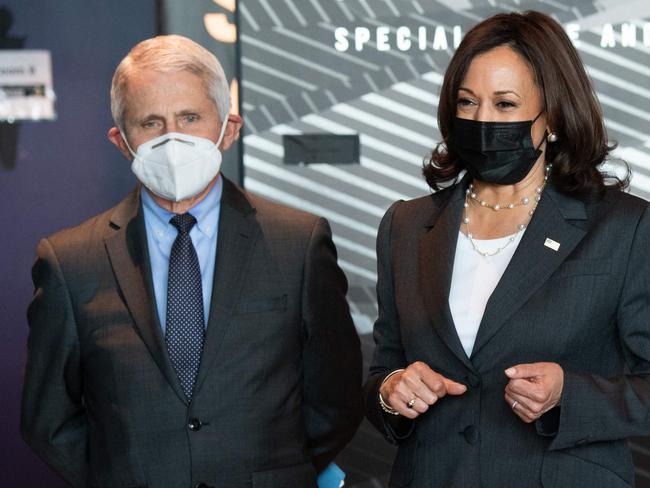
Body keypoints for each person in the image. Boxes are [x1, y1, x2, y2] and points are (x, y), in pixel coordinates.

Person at [21, 35, 363, 488]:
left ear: (229, 128)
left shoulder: (299, 243)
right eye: (150, 122)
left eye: (190, 117)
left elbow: (335, 398)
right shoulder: (70, 261)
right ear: (122, 142)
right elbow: (49, 418)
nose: (172, 137)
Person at [364, 10, 650, 488]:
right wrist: (392, 392)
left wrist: (569, 395)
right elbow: (383, 368)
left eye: (505, 104)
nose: (482, 120)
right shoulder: (407, 224)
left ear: (553, 116)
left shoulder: (624, 226)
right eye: (467, 102)